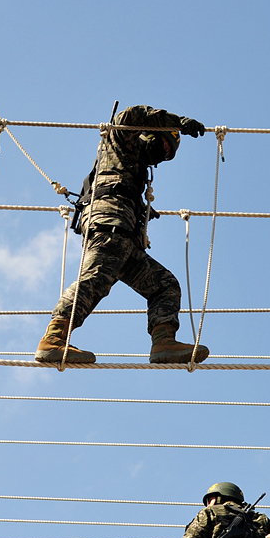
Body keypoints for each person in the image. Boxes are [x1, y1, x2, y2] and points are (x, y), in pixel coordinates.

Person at [35, 104, 212, 366]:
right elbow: (129, 115)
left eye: (167, 155)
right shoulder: (120, 141)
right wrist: (177, 122)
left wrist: (140, 213)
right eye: (163, 145)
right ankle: (53, 339)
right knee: (96, 278)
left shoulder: (136, 171)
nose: (162, 155)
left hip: (125, 238)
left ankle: (163, 341)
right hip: (110, 226)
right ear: (150, 133)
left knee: (165, 284)